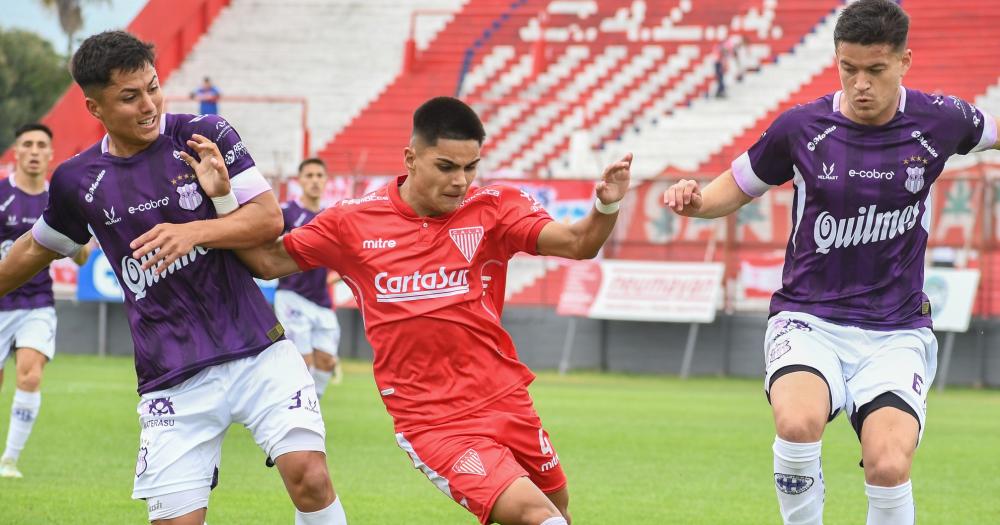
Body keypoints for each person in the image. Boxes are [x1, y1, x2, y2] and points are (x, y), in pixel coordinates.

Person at [664, 1, 999, 524]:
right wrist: (695, 199)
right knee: (798, 423)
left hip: (896, 330)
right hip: (808, 319)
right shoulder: (801, 127)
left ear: (904, 61)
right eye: (848, 69)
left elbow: (993, 132)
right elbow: (732, 189)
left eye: (875, 70)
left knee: (888, 465)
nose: (860, 83)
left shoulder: (941, 120)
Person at [231, 96, 632, 525]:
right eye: (446, 167)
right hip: (433, 420)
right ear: (411, 158)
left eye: (471, 167)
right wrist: (220, 202)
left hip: (506, 399)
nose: (461, 181)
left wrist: (606, 204)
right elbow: (268, 261)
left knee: (560, 513)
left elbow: (578, 243)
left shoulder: (494, 209)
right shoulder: (353, 222)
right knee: (540, 518)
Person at [0, 31, 347, 524]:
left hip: (256, 350)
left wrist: (196, 232)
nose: (149, 105)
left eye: (153, 87)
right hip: (171, 374)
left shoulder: (203, 134)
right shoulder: (78, 180)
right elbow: (37, 247)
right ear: (94, 107)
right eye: (129, 96)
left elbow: (268, 220)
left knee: (309, 476)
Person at [0, 123, 90, 479]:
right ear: (17, 152)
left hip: (37, 302)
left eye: (42, 145)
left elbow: (82, 256)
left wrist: (76, 247)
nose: (35, 151)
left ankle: (9, 460)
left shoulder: (61, 200)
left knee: (30, 376)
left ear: (51, 155)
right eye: (28, 144)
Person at [276, 158, 342, 397]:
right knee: (303, 364)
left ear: (326, 181)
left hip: (321, 300)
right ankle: (297, 413)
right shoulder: (286, 213)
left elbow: (345, 255)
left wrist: (334, 277)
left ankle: (310, 409)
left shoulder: (331, 216)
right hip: (292, 296)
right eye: (309, 176)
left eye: (319, 176)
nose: (314, 181)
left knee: (326, 362)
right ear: (300, 181)